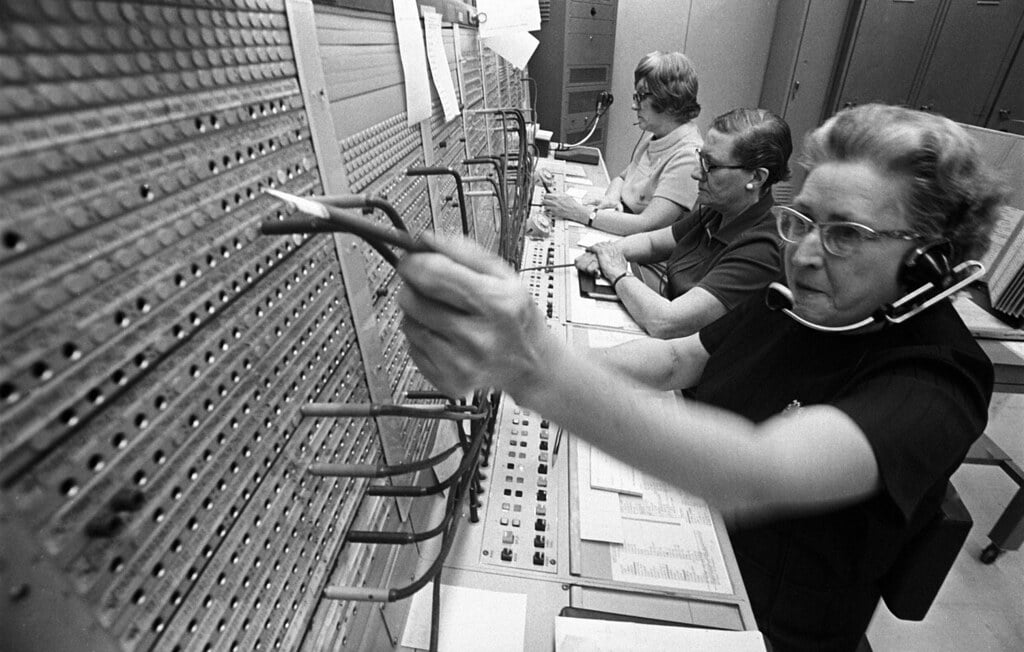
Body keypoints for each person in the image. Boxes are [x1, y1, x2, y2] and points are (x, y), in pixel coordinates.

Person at [396, 104, 1004, 651]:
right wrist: (532, 363)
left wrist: (534, 369)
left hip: (766, 624)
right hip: (704, 537)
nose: (805, 253)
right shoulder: (801, 301)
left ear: (929, 261)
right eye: (803, 220)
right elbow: (679, 359)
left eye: (846, 234)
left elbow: (754, 473)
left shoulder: (937, 380)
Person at [576, 108, 791, 338]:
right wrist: (607, 251)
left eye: (711, 165)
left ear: (756, 178)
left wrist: (617, 272)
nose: (696, 173)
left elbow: (666, 322)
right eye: (701, 158)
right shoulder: (718, 211)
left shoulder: (762, 249)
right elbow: (653, 243)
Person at [542, 51, 702, 236]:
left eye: (640, 97)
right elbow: (622, 178)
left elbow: (647, 225)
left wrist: (581, 213)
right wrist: (611, 198)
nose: (634, 106)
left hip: (642, 249)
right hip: (624, 231)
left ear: (667, 100)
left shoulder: (688, 157)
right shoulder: (658, 136)